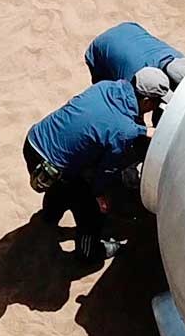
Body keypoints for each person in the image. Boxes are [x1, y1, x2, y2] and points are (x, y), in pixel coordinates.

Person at [23, 68, 171, 260]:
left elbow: (106, 121)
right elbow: (106, 170)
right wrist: (99, 196)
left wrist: (140, 130)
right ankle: (88, 253)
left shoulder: (105, 87)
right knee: (90, 212)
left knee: (62, 188)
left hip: (35, 141)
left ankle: (49, 216)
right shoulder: (123, 130)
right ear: (146, 101)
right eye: (156, 102)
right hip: (53, 168)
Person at [84, 22, 185, 88]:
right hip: (99, 49)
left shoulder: (178, 58)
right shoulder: (135, 77)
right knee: (108, 93)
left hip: (130, 29)